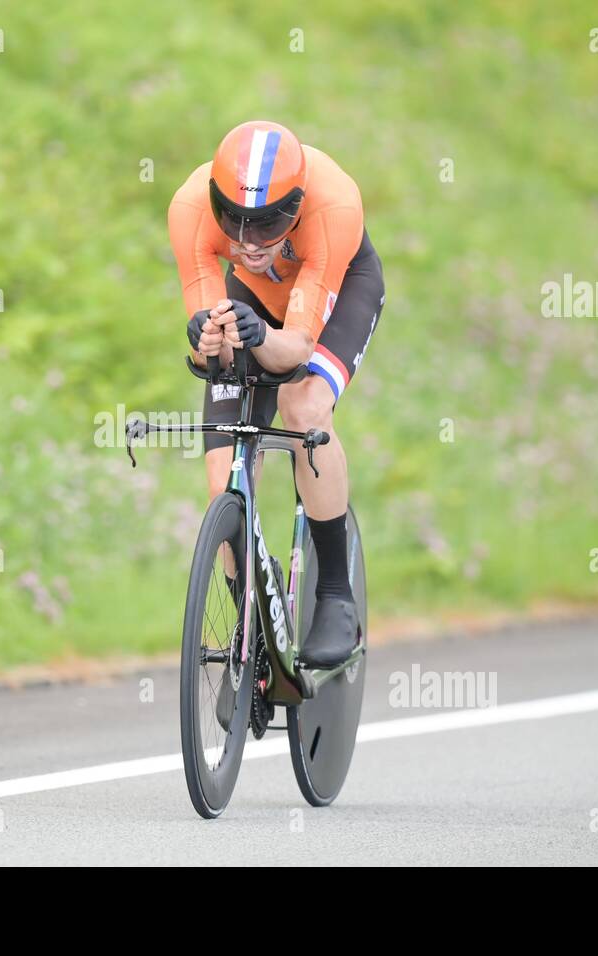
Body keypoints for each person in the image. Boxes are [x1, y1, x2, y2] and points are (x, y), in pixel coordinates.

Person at [168, 120, 385, 670]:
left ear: (297, 204)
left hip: (334, 292)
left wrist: (261, 336)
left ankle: (335, 592)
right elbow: (209, 351)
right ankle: (253, 631)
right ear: (214, 199)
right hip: (254, 299)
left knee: (303, 405)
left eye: (267, 224)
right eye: (234, 220)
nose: (247, 240)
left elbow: (296, 346)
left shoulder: (334, 204)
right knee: (224, 477)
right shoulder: (190, 208)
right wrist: (205, 342)